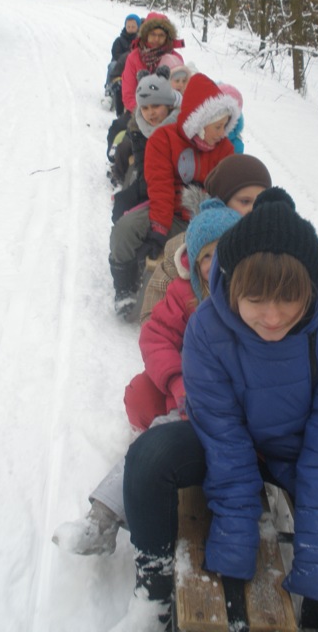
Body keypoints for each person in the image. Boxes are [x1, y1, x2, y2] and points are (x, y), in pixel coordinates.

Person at [117, 187, 318, 632]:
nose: (271, 317)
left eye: (288, 299)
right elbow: (222, 435)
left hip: (306, 448)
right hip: (230, 444)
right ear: (234, 288)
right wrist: (235, 540)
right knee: (148, 458)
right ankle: (154, 590)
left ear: (310, 288)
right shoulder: (208, 327)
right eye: (256, 300)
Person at [52, 199, 241, 557]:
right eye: (206, 256)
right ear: (193, 262)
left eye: (225, 251)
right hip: (188, 398)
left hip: (228, 410)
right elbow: (156, 336)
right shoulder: (185, 295)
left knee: (160, 439)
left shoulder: (252, 299)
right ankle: (102, 519)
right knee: (144, 412)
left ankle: (109, 514)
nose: (217, 263)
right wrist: (178, 382)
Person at [109, 73, 238, 318]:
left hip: (206, 219)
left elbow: (227, 191)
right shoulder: (164, 139)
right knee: (124, 231)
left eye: (225, 126)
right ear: (200, 123)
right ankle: (125, 286)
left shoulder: (225, 149)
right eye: (218, 127)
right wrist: (159, 228)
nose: (222, 133)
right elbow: (161, 187)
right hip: (169, 212)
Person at [140, 153, 272, 323]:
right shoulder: (190, 247)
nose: (254, 210)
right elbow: (152, 315)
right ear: (221, 203)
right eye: (245, 201)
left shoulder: (272, 245)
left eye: (261, 202)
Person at [111, 67, 181, 222]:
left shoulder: (179, 126)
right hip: (148, 181)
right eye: (145, 108)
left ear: (169, 105)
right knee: (121, 204)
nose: (150, 113)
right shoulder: (138, 129)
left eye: (156, 106)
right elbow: (142, 166)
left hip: (174, 186)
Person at [121, 13, 185, 114]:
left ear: (167, 37)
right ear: (146, 35)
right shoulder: (134, 57)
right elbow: (128, 93)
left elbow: (181, 91)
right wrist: (144, 113)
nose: (156, 39)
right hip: (138, 110)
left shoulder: (175, 58)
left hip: (167, 112)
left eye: (161, 35)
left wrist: (164, 112)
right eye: (153, 34)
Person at [104, 14, 141, 100]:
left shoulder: (140, 41)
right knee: (112, 65)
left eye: (133, 27)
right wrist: (126, 60)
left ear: (138, 27)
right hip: (120, 64)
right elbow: (115, 54)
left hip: (134, 65)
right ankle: (109, 88)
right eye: (128, 26)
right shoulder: (119, 40)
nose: (130, 29)